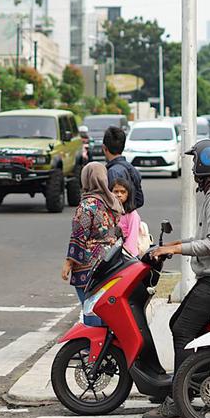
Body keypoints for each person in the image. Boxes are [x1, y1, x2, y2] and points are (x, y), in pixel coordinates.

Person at [143, 139, 210, 418]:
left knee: (182, 329)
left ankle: (179, 399)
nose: (191, 170)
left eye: (194, 164)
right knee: (180, 325)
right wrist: (171, 244)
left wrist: (174, 249)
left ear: (205, 165)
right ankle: (188, 384)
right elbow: (207, 238)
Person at [62, 162, 122, 326]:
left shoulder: (87, 205)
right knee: (105, 309)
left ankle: (92, 347)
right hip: (110, 262)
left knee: (91, 309)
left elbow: (78, 236)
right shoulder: (112, 203)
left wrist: (68, 263)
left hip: (89, 267)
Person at [103, 126, 144, 213]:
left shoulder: (112, 171)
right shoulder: (132, 168)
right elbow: (139, 200)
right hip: (131, 217)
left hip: (119, 220)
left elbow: (113, 203)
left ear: (104, 148)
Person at [111, 178, 145, 256]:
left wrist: (127, 253)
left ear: (128, 194)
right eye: (116, 191)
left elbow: (132, 237)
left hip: (126, 255)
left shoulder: (132, 214)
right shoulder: (109, 211)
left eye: (123, 192)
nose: (119, 195)